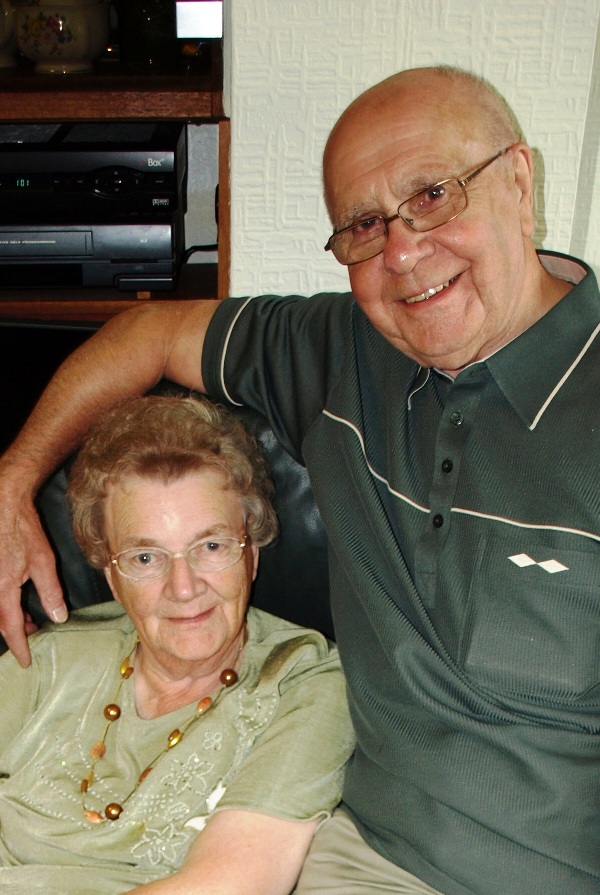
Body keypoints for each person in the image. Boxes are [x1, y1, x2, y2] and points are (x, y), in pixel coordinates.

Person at [0, 62, 597, 894]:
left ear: (520, 181)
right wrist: (14, 479)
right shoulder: (339, 350)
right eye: (363, 224)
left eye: (433, 195)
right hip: (367, 858)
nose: (402, 251)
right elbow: (147, 332)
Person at [0, 394, 354, 894]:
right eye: (145, 557)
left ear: (251, 555)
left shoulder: (302, 682)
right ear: (111, 576)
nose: (183, 588)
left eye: (211, 546)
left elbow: (230, 884)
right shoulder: (50, 661)